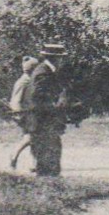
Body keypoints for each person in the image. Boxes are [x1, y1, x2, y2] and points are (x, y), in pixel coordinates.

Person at [18, 44, 77, 177]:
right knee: (48, 149)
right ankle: (48, 179)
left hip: (44, 118)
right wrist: (56, 106)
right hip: (41, 119)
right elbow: (38, 95)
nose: (61, 60)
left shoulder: (47, 70)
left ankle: (50, 178)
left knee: (50, 148)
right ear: (54, 58)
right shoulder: (43, 72)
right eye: (60, 58)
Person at [7, 56, 38, 171]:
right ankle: (14, 155)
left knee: (33, 137)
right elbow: (15, 100)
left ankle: (35, 164)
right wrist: (18, 114)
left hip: (32, 113)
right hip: (25, 114)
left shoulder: (30, 80)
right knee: (31, 137)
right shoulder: (23, 82)